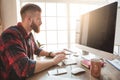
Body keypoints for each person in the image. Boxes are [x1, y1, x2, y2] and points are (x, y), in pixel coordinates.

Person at [0, 4, 65, 80]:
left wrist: (51, 54)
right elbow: (24, 68)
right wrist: (53, 61)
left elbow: (36, 50)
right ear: (29, 19)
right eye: (38, 19)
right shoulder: (10, 35)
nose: (41, 22)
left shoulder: (29, 34)